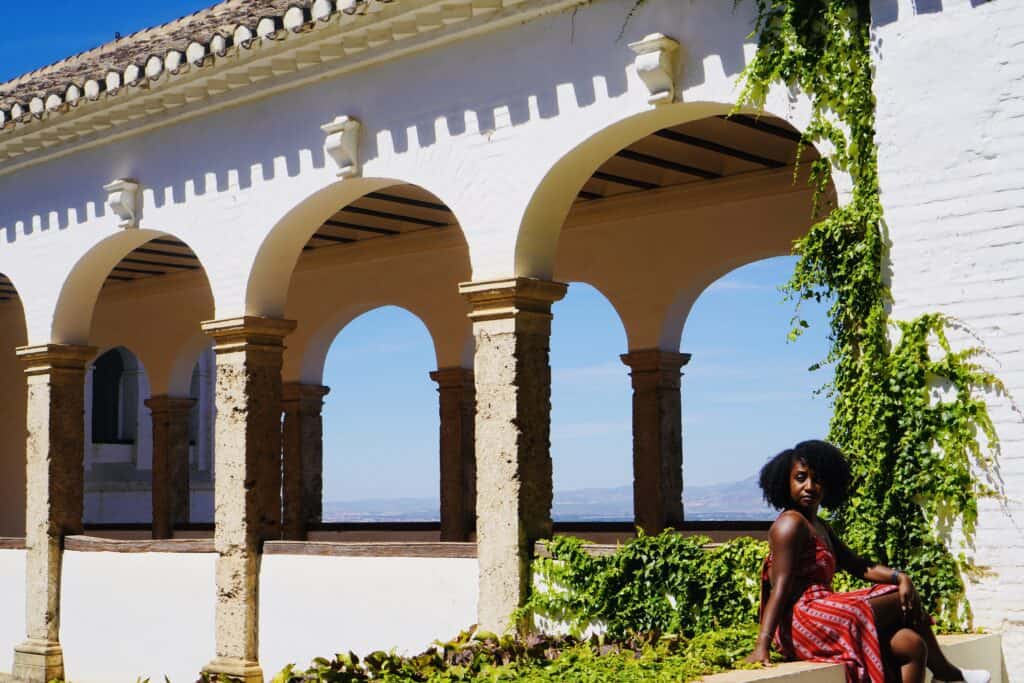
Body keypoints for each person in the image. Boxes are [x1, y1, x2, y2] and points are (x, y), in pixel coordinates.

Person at [745, 440, 990, 683]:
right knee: (897, 597)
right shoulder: (790, 524)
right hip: (804, 620)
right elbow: (780, 587)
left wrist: (900, 576)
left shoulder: (820, 526)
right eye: (801, 478)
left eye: (818, 479)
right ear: (786, 482)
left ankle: (944, 674)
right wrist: (762, 644)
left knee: (912, 645)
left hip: (827, 612)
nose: (809, 486)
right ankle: (948, 674)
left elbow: (858, 565)